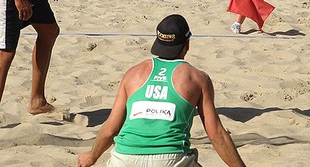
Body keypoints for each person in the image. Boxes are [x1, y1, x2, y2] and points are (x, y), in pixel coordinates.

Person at [78, 14, 246, 167]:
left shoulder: (133, 73)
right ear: (186, 44)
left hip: (125, 157)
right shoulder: (197, 78)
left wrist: (92, 156)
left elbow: (111, 129)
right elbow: (216, 134)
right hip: (170, 159)